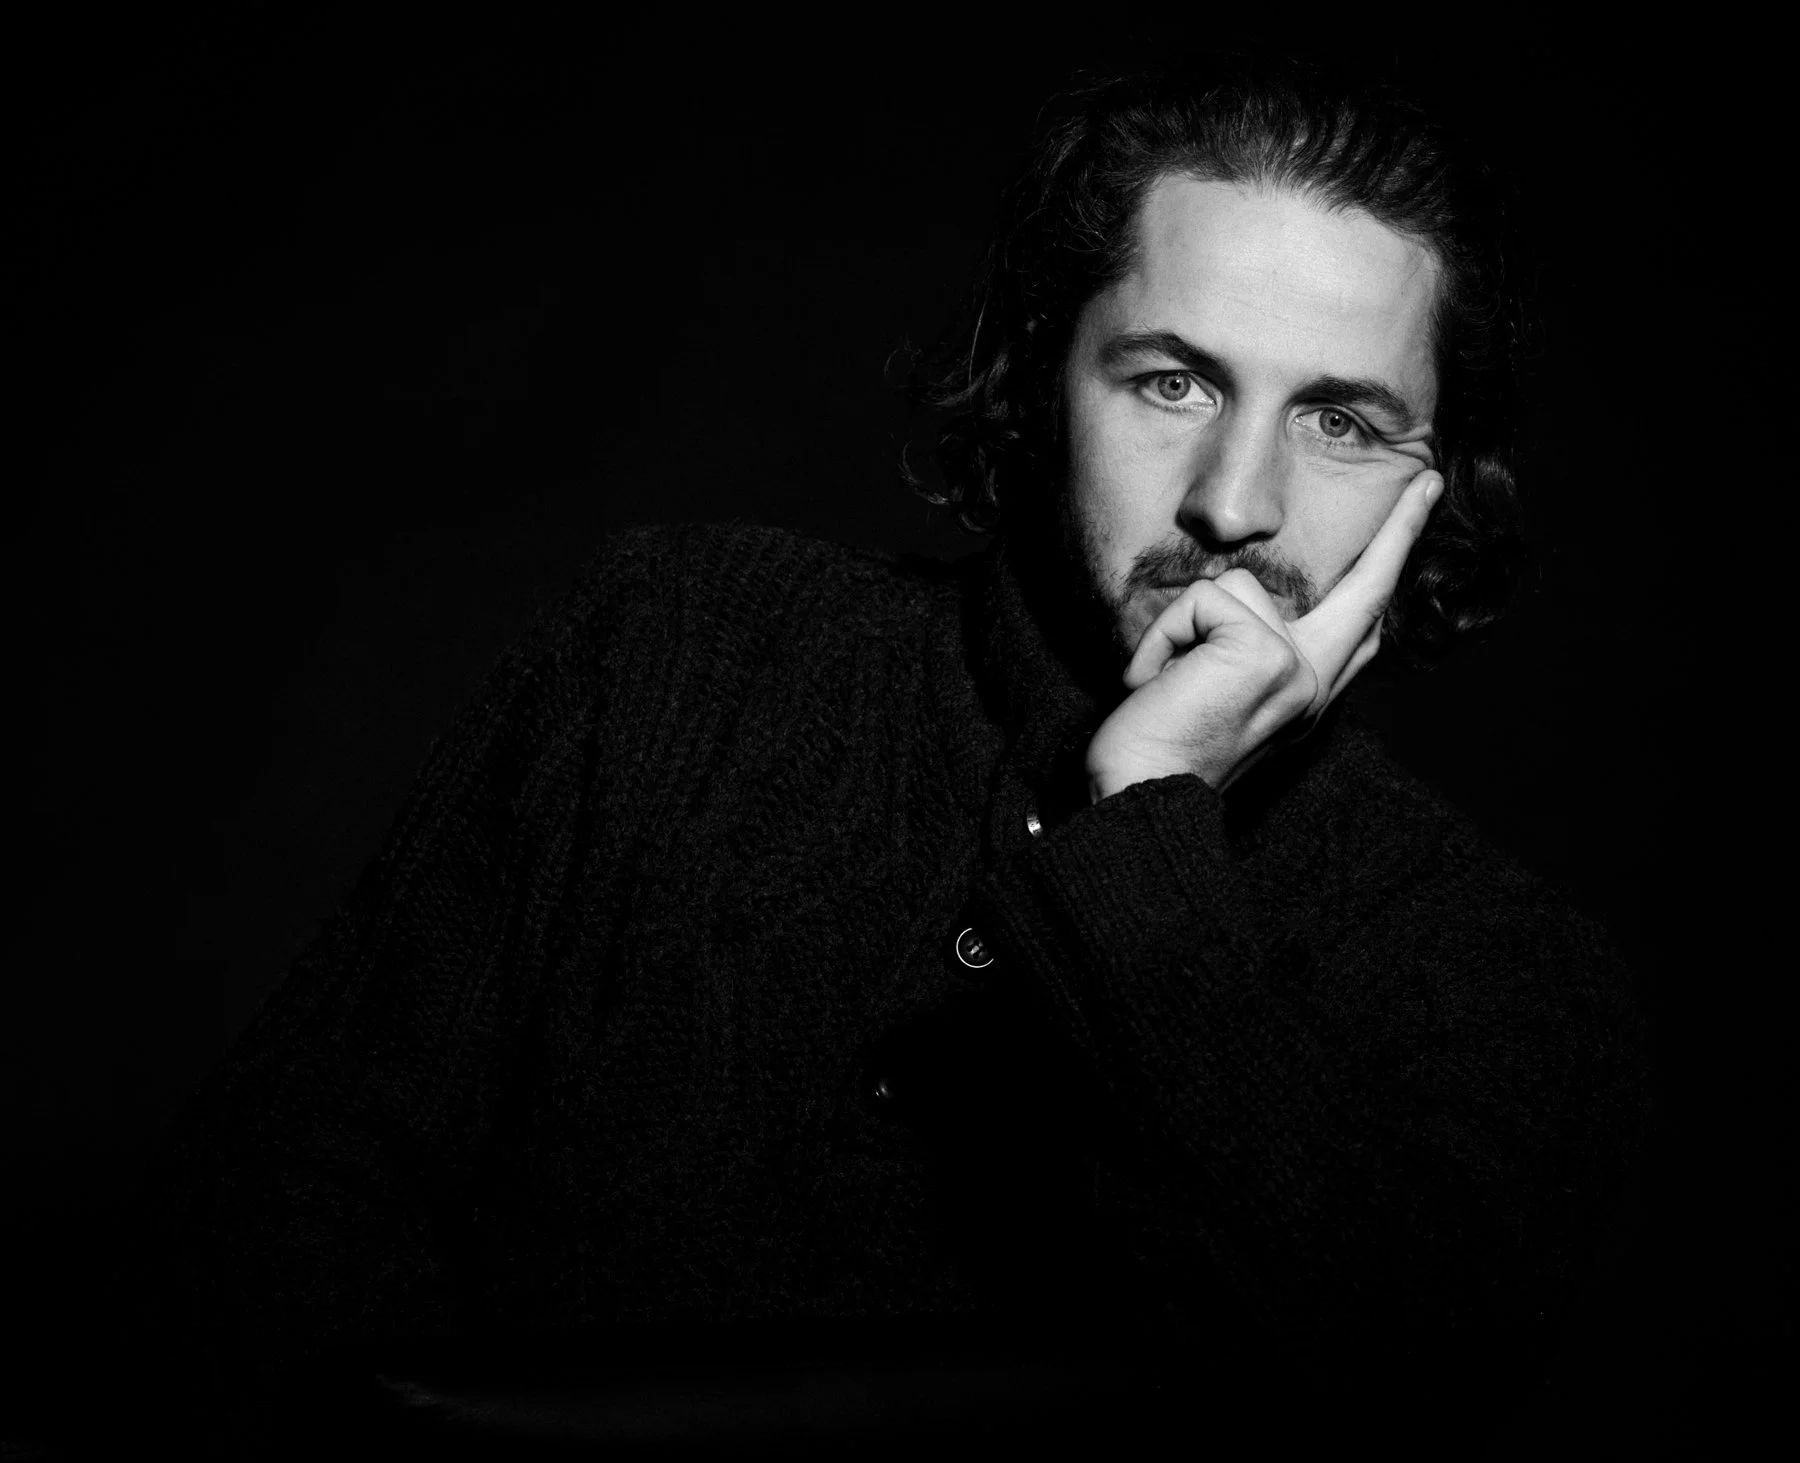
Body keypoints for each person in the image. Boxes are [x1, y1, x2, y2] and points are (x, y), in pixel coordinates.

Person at [125, 53, 1648, 1453]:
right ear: (1047, 382)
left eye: (1339, 420)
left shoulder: (1490, 964)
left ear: (1432, 487)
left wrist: (1148, 824)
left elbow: (1386, 1421)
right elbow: (274, 1205)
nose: (1234, 501)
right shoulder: (681, 647)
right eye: (1171, 382)